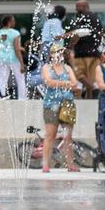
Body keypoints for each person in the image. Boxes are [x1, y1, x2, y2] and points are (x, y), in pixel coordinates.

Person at [40, 42, 79, 173]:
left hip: (66, 104)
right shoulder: (46, 67)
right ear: (50, 55)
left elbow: (75, 84)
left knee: (68, 136)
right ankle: (45, 164)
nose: (58, 54)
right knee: (50, 135)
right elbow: (48, 83)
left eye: (60, 52)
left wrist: (61, 84)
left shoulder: (67, 68)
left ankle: (70, 164)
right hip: (51, 104)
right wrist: (65, 83)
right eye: (55, 52)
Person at [67, 0, 105, 99]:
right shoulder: (95, 17)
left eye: (77, 7)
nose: (76, 9)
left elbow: (77, 34)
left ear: (84, 7)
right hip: (95, 54)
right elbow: (101, 34)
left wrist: (69, 47)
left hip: (82, 53)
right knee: (91, 78)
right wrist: (101, 50)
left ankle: (95, 88)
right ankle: (91, 100)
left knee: (78, 74)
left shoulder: (80, 17)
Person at [0, 15, 26, 100]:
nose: (14, 22)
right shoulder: (15, 33)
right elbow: (16, 49)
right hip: (13, 59)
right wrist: (22, 64)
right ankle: (22, 99)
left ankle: (2, 96)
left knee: (2, 79)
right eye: (13, 20)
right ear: (9, 22)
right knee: (20, 79)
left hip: (2, 58)